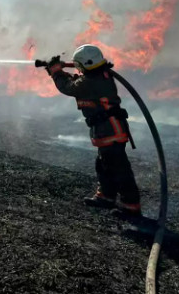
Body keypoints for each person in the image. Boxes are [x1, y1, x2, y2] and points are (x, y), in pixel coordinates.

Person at [45, 44, 142, 217]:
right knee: (104, 165)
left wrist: (56, 72)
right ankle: (106, 196)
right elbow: (77, 82)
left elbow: (69, 87)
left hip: (111, 130)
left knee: (119, 168)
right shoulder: (97, 76)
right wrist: (59, 71)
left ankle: (131, 205)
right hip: (106, 130)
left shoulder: (92, 81)